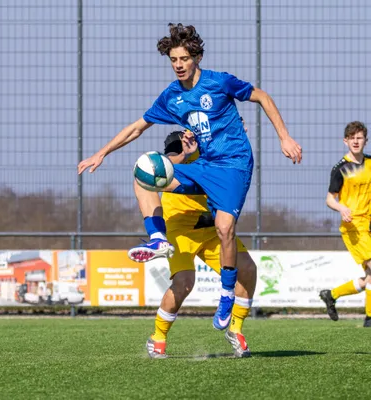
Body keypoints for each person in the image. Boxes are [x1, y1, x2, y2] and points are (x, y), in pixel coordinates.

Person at [78, 23, 302, 336]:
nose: (179, 65)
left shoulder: (219, 82)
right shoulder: (172, 96)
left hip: (234, 165)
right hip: (205, 166)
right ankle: (158, 238)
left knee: (224, 227)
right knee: (143, 172)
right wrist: (101, 153)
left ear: (196, 57)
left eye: (184, 58)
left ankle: (227, 294)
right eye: (174, 60)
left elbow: (262, 97)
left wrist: (284, 137)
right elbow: (137, 127)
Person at [145, 128, 257, 358]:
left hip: (210, 227)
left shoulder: (217, 148)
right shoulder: (178, 145)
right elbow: (167, 164)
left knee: (247, 269)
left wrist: (234, 134)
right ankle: (158, 336)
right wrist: (185, 153)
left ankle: (235, 330)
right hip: (180, 229)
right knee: (184, 283)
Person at [319, 121, 371, 328]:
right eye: (352, 138)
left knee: (369, 277)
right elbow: (329, 199)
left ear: (366, 141)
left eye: (359, 138)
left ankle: (331, 295)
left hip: (368, 224)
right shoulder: (341, 168)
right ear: (345, 141)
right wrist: (341, 208)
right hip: (353, 226)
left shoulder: (370, 163)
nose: (356, 141)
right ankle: (370, 319)